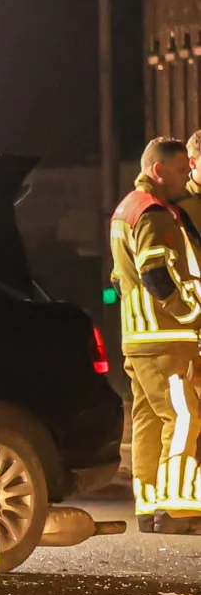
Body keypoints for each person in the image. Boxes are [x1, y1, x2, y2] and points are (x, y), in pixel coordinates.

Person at [112, 136, 201, 532]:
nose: (187, 177)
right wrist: (192, 312)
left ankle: (149, 507)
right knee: (184, 418)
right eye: (182, 170)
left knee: (149, 420)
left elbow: (120, 277)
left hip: (138, 337)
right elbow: (156, 275)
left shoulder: (127, 209)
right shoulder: (155, 213)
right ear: (159, 171)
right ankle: (178, 509)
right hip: (165, 339)